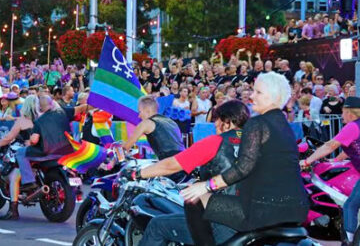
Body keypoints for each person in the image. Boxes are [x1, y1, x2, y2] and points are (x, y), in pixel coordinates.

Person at [178, 72, 308, 244]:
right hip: (297, 208)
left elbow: (243, 167)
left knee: (192, 199)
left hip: (263, 210)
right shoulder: (285, 125)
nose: (252, 96)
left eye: (258, 92)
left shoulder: (257, 124)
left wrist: (206, 186)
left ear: (273, 96)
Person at [125, 100, 250, 245]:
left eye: (217, 120)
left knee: (157, 225)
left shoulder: (216, 142)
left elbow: (171, 165)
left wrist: (137, 174)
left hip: (223, 223)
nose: (215, 125)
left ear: (227, 122)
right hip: (255, 221)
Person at [300, 97, 360, 244]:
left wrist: (307, 161)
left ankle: (349, 241)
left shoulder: (353, 126)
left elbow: (330, 146)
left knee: (350, 205)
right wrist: (335, 161)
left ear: (349, 112)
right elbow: (353, 147)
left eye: (343, 111)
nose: (341, 115)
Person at [16, 95, 87, 193]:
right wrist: (100, 105)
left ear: (40, 107)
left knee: (20, 152)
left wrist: (31, 140)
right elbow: (83, 107)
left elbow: (34, 141)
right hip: (66, 152)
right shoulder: (64, 112)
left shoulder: (39, 121)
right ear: (52, 103)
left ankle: (29, 182)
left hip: (48, 153)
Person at [0, 95, 39, 220]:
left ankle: (13, 210)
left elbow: (9, 137)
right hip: (45, 152)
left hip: (30, 152)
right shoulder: (43, 118)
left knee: (14, 177)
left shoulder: (22, 120)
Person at [123, 96, 184, 160]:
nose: (139, 116)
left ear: (147, 110)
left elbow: (126, 147)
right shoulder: (171, 122)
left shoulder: (146, 123)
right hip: (183, 161)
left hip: (170, 163)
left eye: (140, 112)